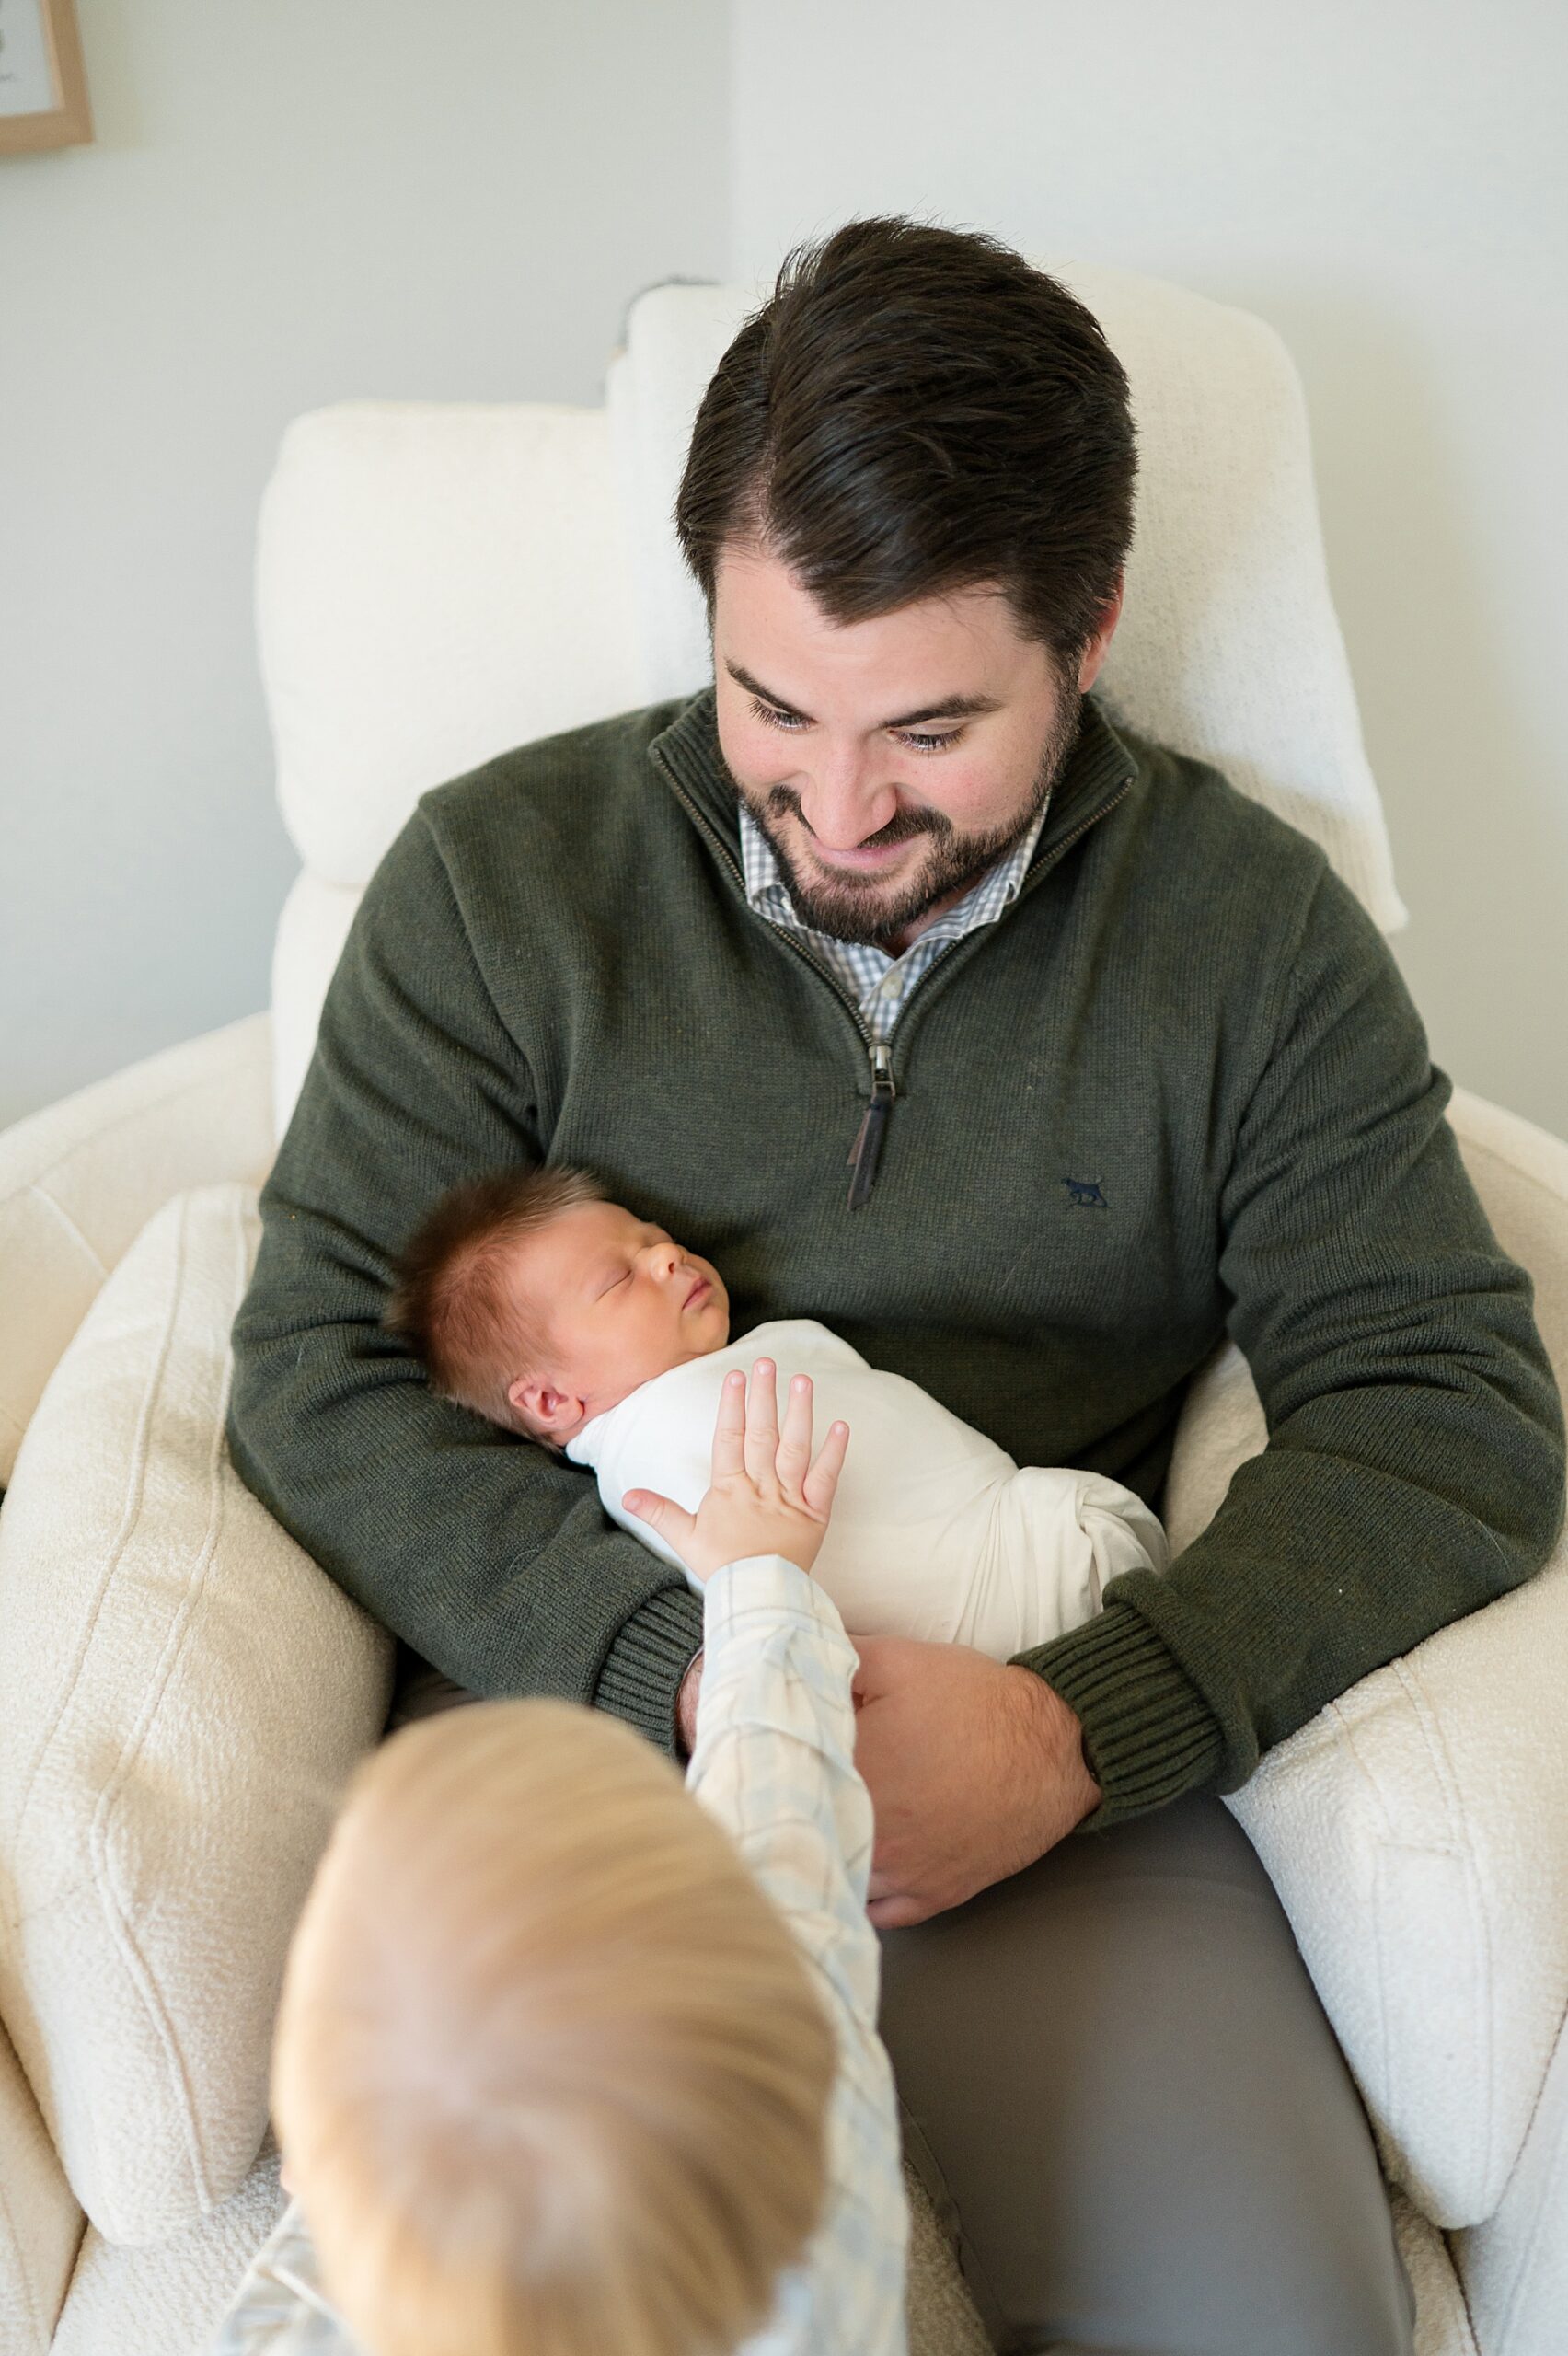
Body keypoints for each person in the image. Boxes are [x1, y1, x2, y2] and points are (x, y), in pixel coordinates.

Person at [227, 214, 1566, 2353]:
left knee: (1269, 2322)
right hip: (597, 1723)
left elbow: (1448, 1407)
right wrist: (689, 1666)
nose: (838, 802)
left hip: (1037, 1739)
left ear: (1090, 630)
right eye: (772, 702)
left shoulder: (1249, 939)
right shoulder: (496, 883)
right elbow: (311, 1372)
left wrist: (1082, 1717)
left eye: (931, 725)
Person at [210, 1366, 910, 2356]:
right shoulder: (811, 2071)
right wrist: (761, 1578)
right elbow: (780, 1786)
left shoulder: (302, 2314)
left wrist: (340, 2166)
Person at [378, 1160, 1168, 1657]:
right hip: (1032, 1577)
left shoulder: (753, 1355)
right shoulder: (646, 1464)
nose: (665, 1255)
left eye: (655, 1238)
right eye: (619, 1279)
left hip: (1040, 1552)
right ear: (551, 1399)